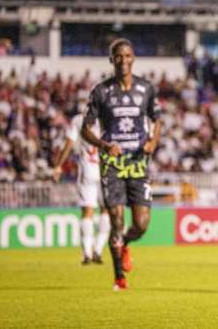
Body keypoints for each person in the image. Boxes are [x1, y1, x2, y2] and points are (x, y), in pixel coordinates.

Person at [81, 38, 162, 290]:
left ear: (133, 58)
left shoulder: (146, 89)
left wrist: (153, 141)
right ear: (111, 60)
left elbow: (157, 120)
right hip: (112, 164)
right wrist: (104, 145)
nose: (123, 60)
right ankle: (119, 277)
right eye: (118, 56)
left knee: (141, 224)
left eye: (127, 56)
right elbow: (85, 129)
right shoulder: (101, 91)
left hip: (138, 163)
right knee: (116, 219)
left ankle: (125, 243)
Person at [53, 91, 111, 265]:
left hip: (88, 170)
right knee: (106, 210)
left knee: (87, 212)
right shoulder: (109, 119)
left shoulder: (79, 120)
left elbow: (68, 145)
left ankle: (87, 253)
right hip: (107, 171)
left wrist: (58, 166)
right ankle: (98, 251)